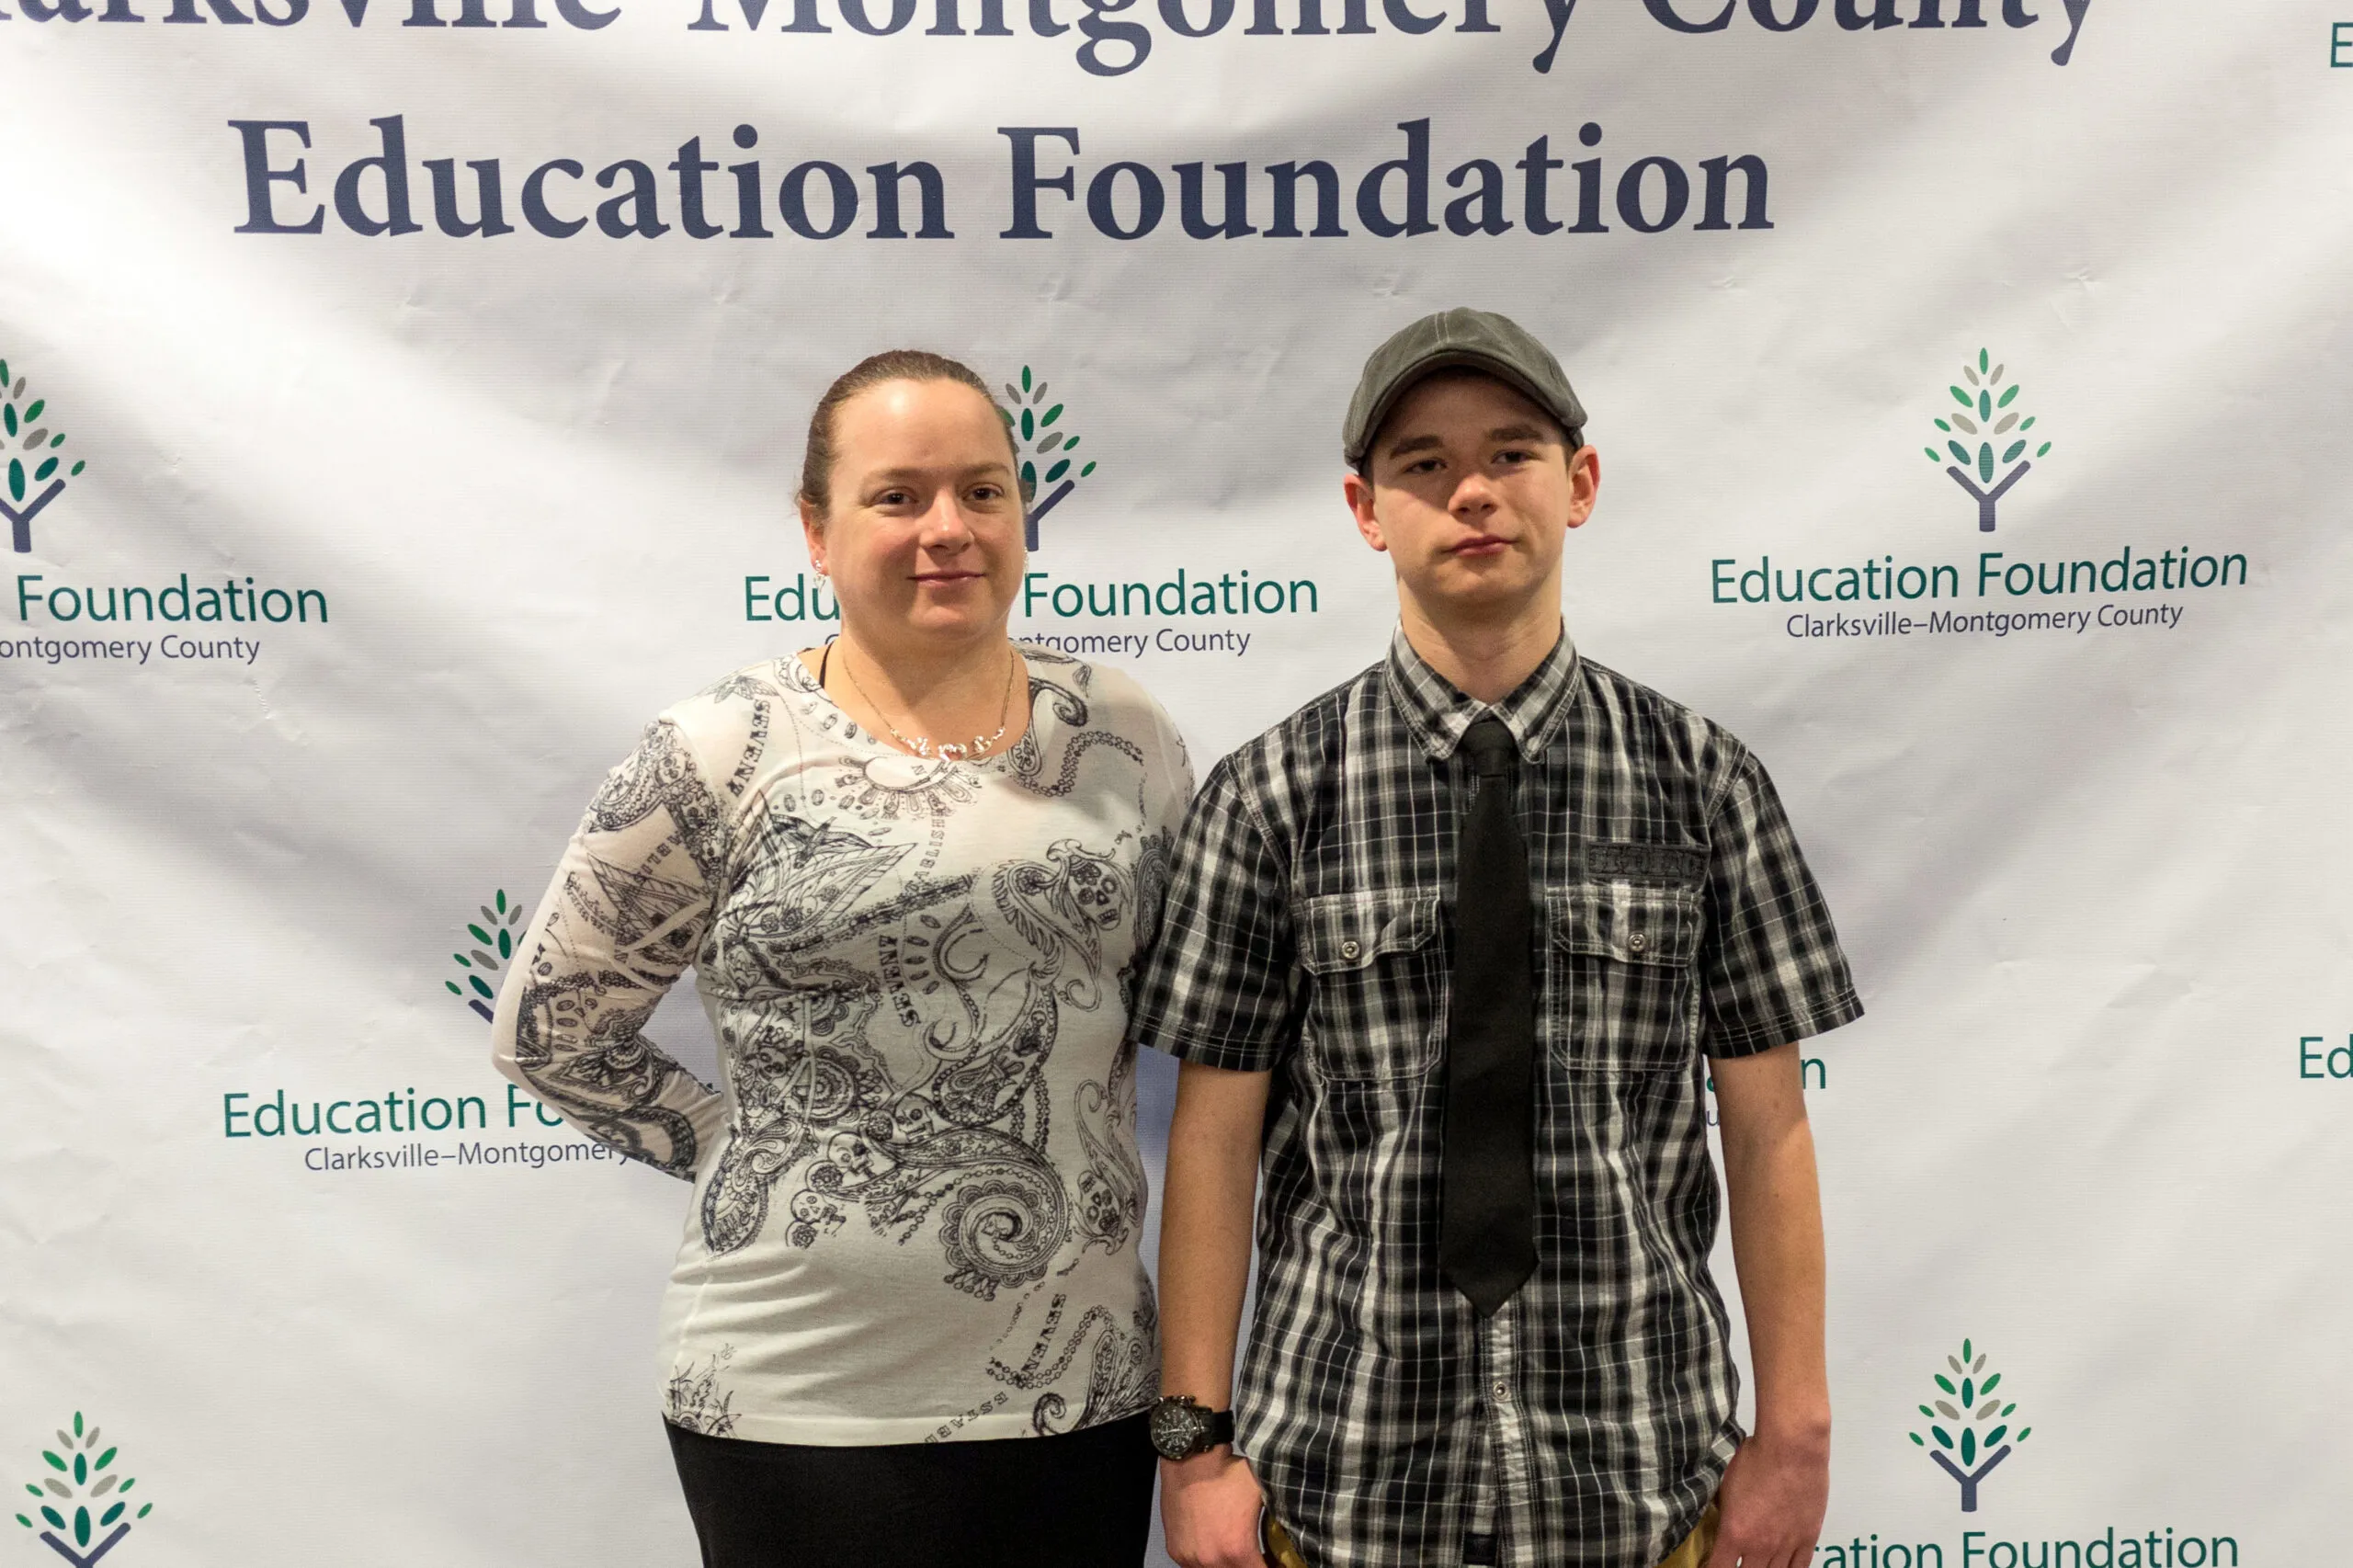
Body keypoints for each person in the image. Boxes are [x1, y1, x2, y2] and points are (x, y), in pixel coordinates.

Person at [1134, 309, 1863, 1568]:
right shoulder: (1271, 798)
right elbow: (1212, 1140)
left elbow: (1767, 1125)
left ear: (1579, 484)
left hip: (1638, 1472)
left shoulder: (1702, 782)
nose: (1471, 490)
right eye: (1423, 463)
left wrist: (1796, 1429)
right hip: (1345, 1478)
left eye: (1511, 453)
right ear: (1366, 510)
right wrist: (1193, 1446)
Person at [492, 349, 1192, 1568]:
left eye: (983, 491)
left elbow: (1201, 1011)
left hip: (1082, 1392)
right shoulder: (720, 748)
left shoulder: (1123, 735)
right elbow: (549, 1029)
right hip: (798, 1400)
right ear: (816, 530)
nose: (948, 529)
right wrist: (743, 1149)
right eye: (898, 496)